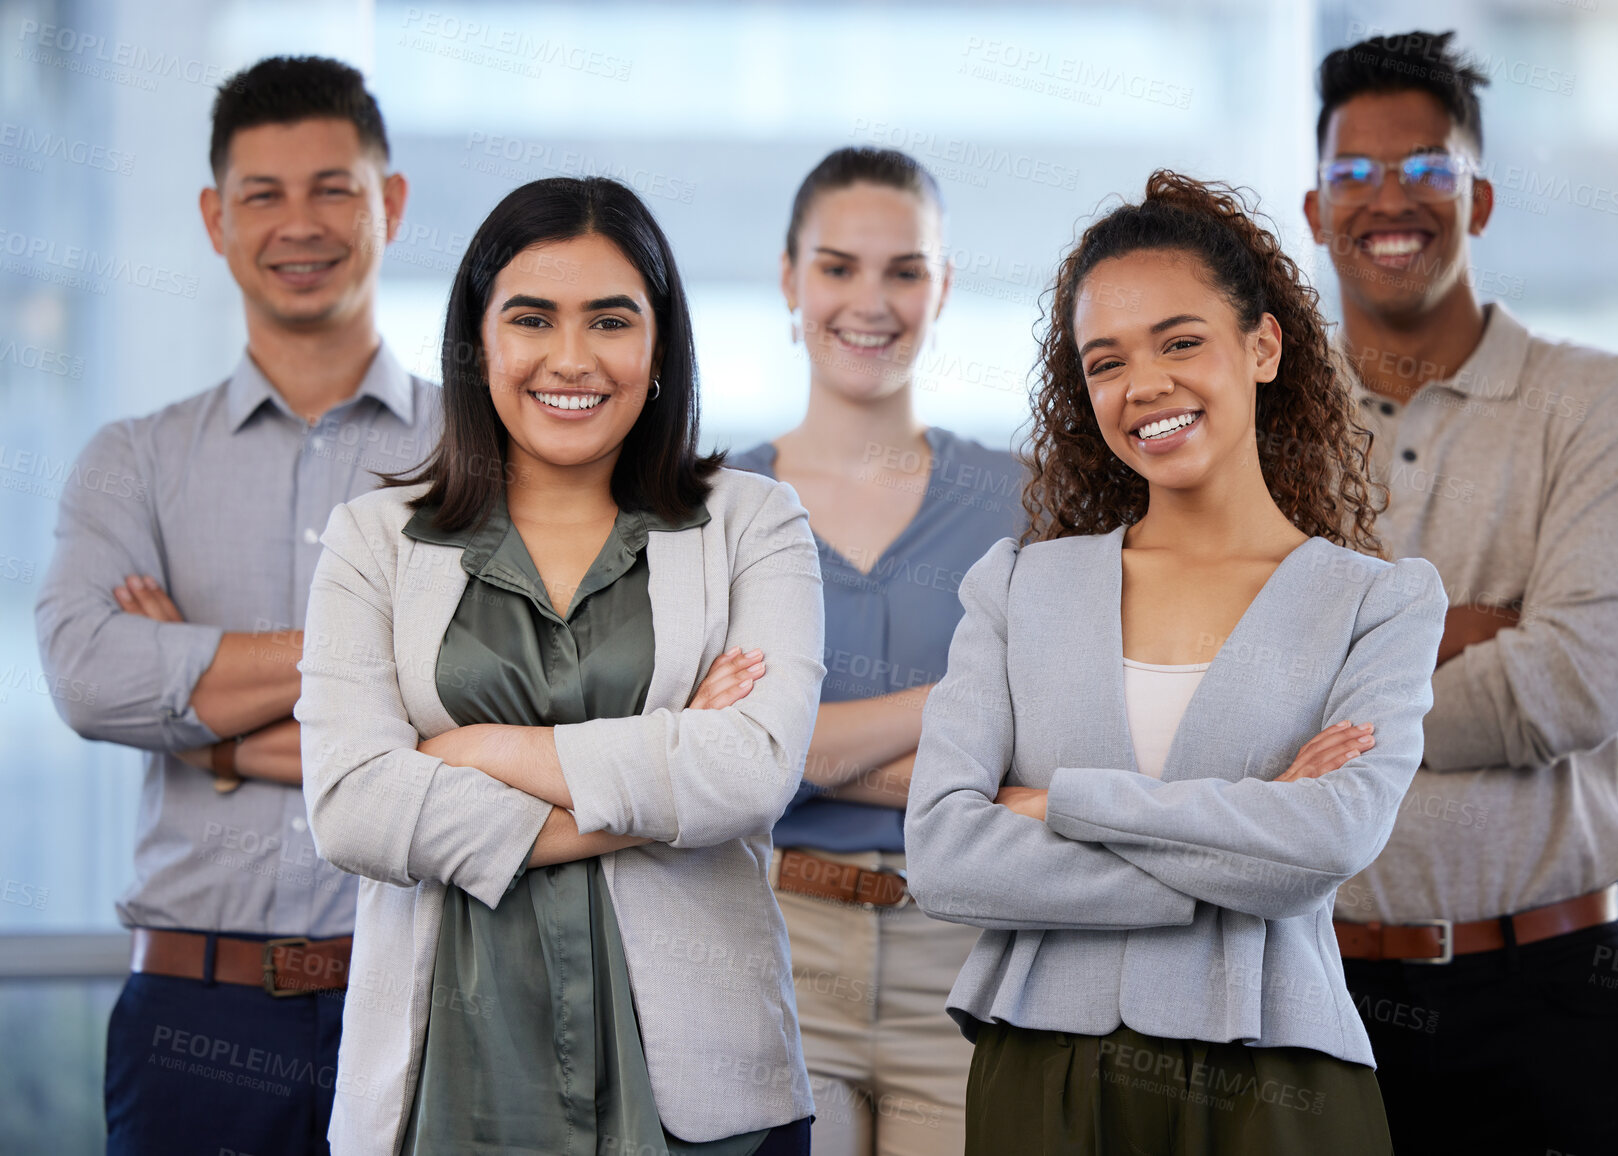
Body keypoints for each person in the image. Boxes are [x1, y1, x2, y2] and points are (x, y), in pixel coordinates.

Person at [903, 170, 1448, 1156]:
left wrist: (1054, 799)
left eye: (1180, 340)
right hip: (1041, 1071)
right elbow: (944, 853)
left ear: (1263, 346)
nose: (1142, 383)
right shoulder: (1016, 586)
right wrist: (1243, 843)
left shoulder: (1379, 601)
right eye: (1103, 360)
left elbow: (1325, 839)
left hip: (1278, 1081)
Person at [295, 175, 825, 1156]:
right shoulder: (371, 540)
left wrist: (474, 749)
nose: (570, 358)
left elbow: (748, 772)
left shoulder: (755, 522)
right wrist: (657, 781)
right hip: (444, 1085)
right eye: (531, 318)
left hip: (701, 1103)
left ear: (659, 343)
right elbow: (352, 807)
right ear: (477, 340)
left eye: (611, 320)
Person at [33, 56, 431, 1156]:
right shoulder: (133, 460)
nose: (297, 223)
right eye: (263, 193)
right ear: (216, 218)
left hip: (425, 996)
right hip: (191, 1015)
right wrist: (374, 665)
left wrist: (205, 720)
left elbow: (502, 704)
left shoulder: (477, 458)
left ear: (388, 203)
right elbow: (89, 675)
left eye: (332, 187)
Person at [1301, 31, 1618, 1156]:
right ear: (1314, 212)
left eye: (1425, 168)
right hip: (1309, 991)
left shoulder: (1601, 402)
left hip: (1549, 991)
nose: (1387, 199)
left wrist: (1328, 683)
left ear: (1480, 199)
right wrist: (1465, 630)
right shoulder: (1260, 420)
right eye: (1351, 174)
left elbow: (1571, 687)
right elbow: (1207, 685)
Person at [729, 146, 1024, 1155]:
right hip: (769, 938)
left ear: (941, 286)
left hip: (971, 947)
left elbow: (1049, 753)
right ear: (787, 278)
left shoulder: (1026, 502)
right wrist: (962, 701)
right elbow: (723, 761)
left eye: (904, 269)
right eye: (837, 266)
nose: (871, 299)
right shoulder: (709, 506)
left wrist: (800, 750)